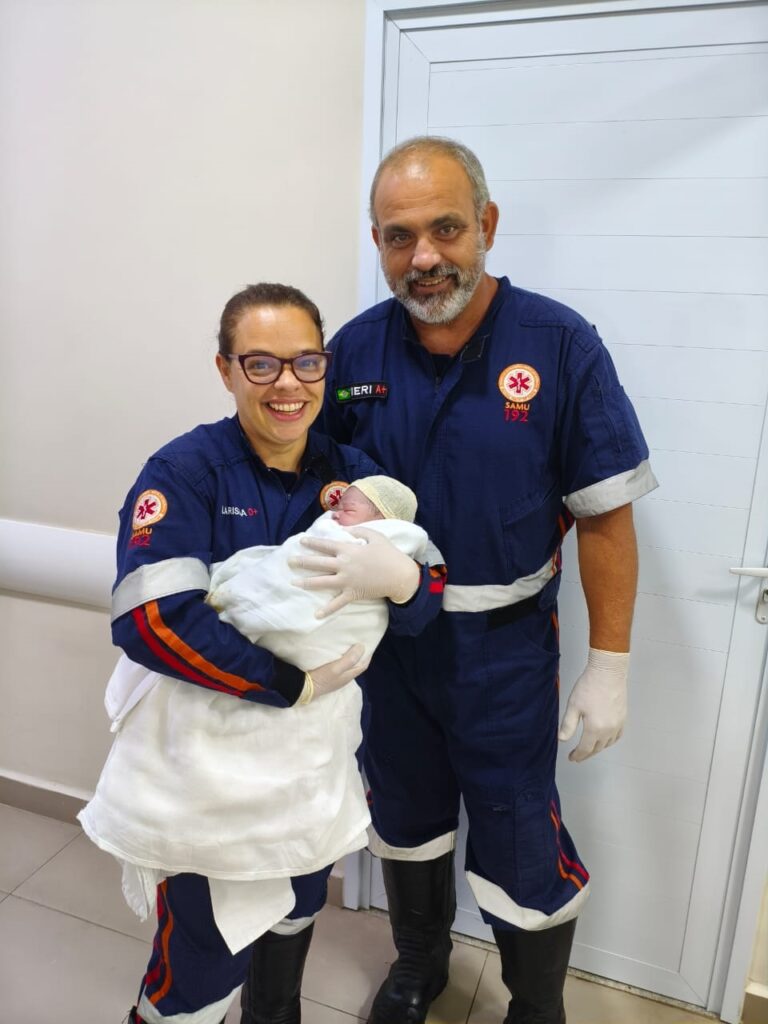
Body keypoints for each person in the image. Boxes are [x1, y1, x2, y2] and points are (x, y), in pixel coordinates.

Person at [300, 137, 658, 1024]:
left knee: (520, 839)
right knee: (408, 823)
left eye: (446, 229)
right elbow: (310, 487)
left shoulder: (560, 344)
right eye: (398, 236)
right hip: (392, 650)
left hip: (503, 657)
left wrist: (610, 664)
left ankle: (535, 1004)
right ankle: (418, 965)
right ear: (377, 242)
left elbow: (606, 514)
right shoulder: (351, 354)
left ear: (487, 226)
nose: (423, 257)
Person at [78, 282, 445, 1024]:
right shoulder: (187, 473)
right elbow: (150, 620)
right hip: (212, 771)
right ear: (225, 370)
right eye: (261, 364)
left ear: (325, 369)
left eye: (306, 363)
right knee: (202, 967)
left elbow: (422, 590)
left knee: (294, 912)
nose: (288, 384)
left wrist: (404, 580)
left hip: (310, 770)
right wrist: (289, 682)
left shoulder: (352, 475)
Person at [207, 476, 429, 671]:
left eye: (347, 510)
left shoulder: (358, 470)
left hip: (332, 672)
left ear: (384, 520)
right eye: (336, 507)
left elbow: (432, 586)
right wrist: (292, 686)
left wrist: (408, 583)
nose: (333, 515)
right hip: (226, 666)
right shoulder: (198, 468)